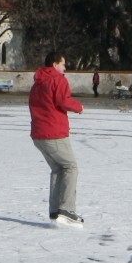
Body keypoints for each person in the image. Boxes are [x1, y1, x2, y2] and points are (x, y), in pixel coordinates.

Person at [29, 51, 84, 228]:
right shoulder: (57, 80)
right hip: (54, 133)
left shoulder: (38, 83)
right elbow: (63, 101)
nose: (65, 67)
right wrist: (79, 107)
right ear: (54, 64)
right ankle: (67, 210)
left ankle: (56, 212)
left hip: (39, 134)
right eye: (63, 64)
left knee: (58, 169)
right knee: (70, 167)